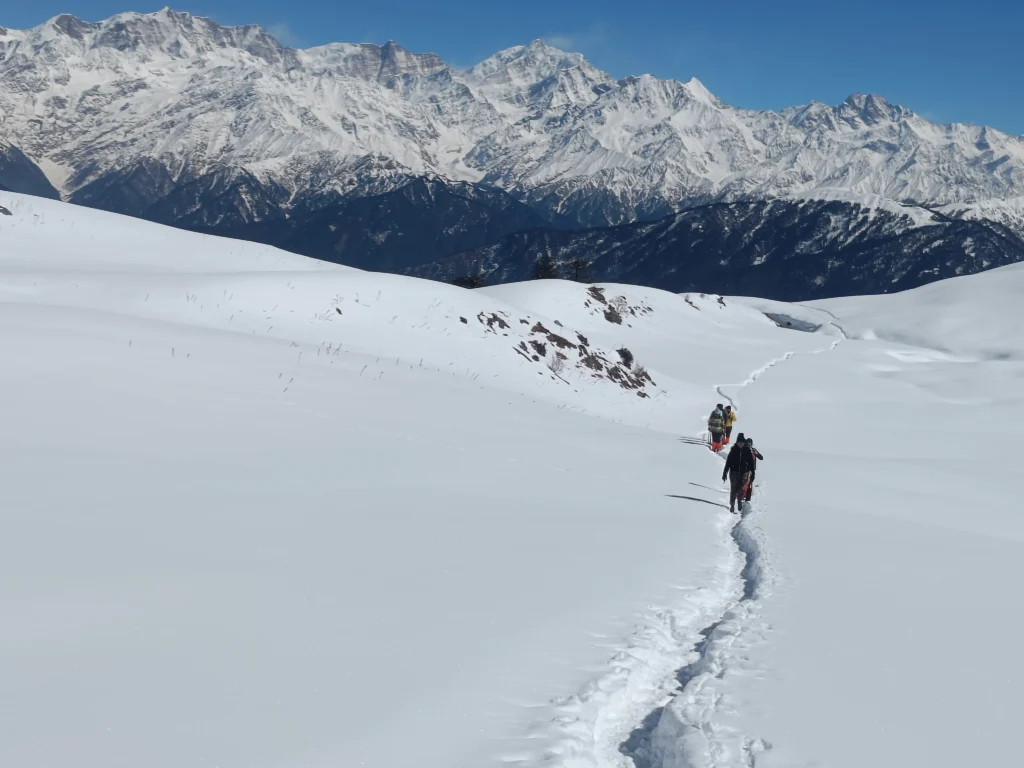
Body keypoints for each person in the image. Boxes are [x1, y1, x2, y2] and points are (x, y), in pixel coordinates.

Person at [722, 433, 753, 513]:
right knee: (733, 489)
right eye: (739, 443)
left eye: (742, 443)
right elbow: (728, 462)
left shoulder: (747, 451)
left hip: (744, 472)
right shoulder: (733, 450)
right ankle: (732, 505)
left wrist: (753, 473)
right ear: (736, 443)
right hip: (734, 472)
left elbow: (751, 463)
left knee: (741, 489)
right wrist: (725, 472)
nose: (740, 444)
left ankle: (739, 502)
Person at [744, 438, 764, 502]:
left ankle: (747, 497)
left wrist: (756, 453)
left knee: (750, 482)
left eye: (749, 444)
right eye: (747, 444)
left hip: (751, 470)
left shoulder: (753, 450)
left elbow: (761, 458)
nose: (748, 445)